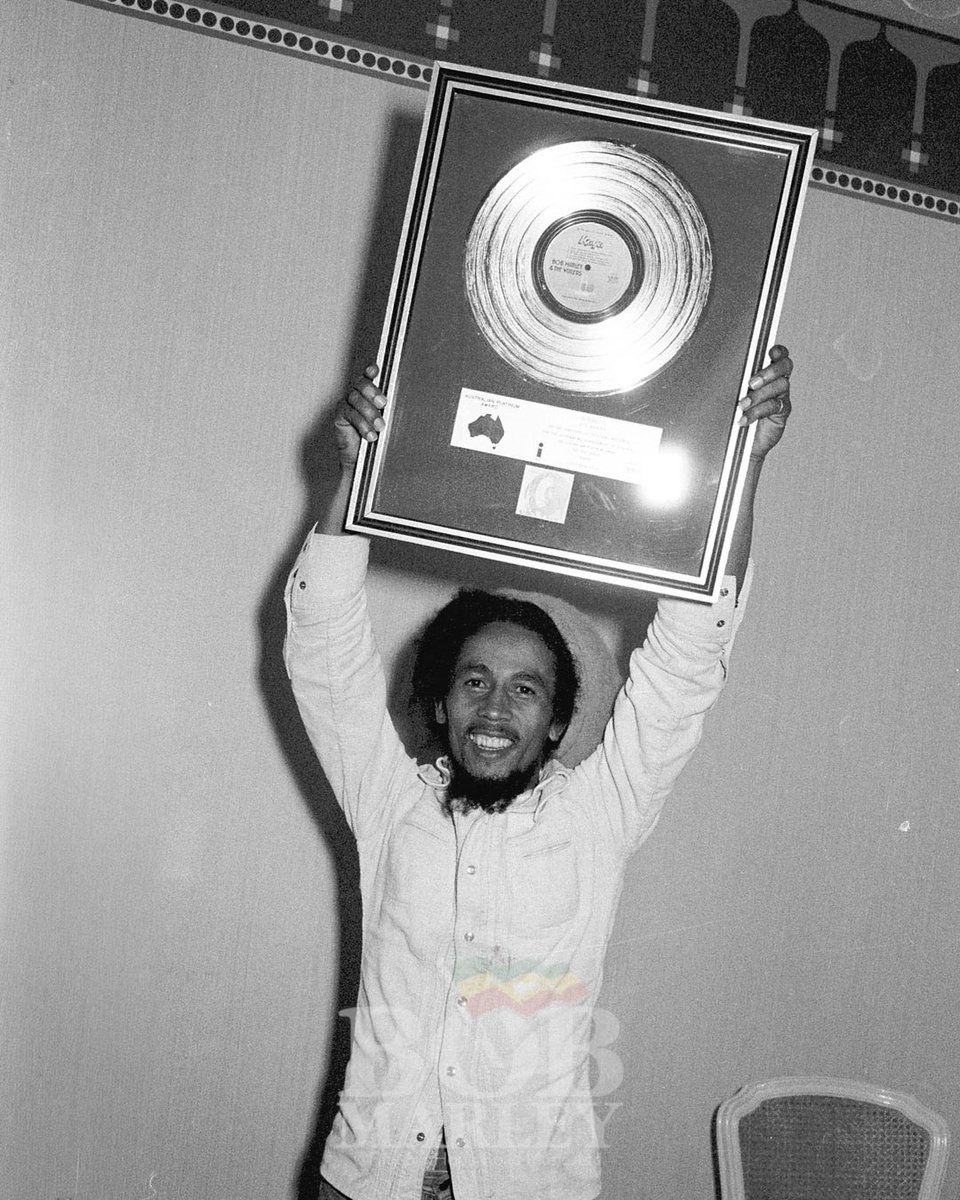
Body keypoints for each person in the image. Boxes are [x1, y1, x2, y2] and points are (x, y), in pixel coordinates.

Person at [283, 348, 793, 1200]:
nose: (494, 708)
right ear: (441, 703)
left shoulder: (597, 816)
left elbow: (688, 661)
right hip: (369, 1179)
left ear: (558, 722)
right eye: (474, 681)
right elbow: (323, 649)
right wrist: (354, 473)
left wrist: (739, 467)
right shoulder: (388, 800)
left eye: (526, 690)